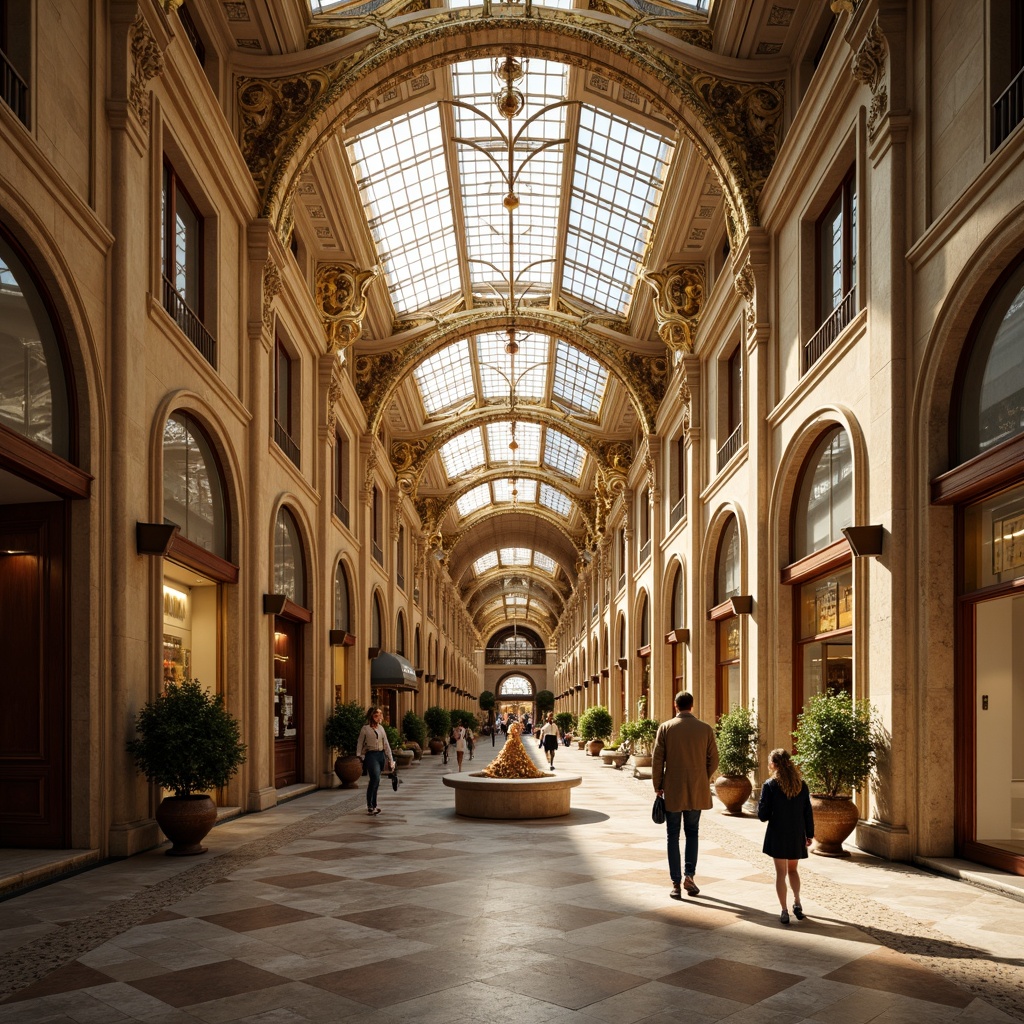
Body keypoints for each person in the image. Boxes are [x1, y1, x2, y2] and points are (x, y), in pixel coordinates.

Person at [652, 691, 718, 899]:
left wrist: (658, 785)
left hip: (673, 789)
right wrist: (702, 777)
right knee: (692, 833)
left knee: (673, 835)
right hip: (696, 789)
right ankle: (690, 876)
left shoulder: (666, 728)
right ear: (692, 705)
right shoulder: (705, 729)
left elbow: (657, 759)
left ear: (675, 705)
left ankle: (676, 883)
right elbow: (714, 759)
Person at [757, 748, 814, 925]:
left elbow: (763, 815)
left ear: (773, 765)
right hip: (797, 832)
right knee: (793, 870)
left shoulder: (770, 785)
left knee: (780, 873)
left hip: (778, 832)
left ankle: (784, 911)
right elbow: (808, 812)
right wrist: (809, 834)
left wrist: (763, 804)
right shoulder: (801, 785)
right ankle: (797, 902)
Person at [356, 707, 394, 816]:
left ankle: (374, 805)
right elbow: (359, 743)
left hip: (381, 755)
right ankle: (370, 805)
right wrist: (359, 756)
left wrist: (391, 759)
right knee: (375, 778)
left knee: (376, 781)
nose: (380, 717)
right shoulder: (365, 729)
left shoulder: (381, 728)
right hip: (371, 755)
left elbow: (386, 744)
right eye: (377, 715)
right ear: (372, 716)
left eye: (380, 714)